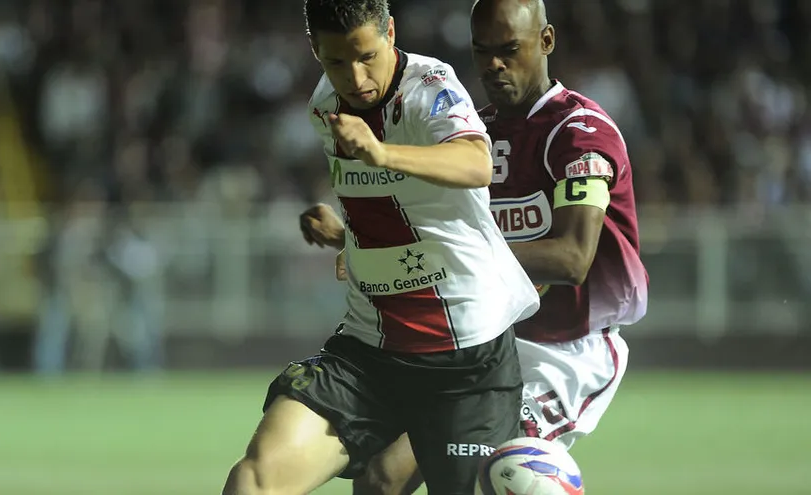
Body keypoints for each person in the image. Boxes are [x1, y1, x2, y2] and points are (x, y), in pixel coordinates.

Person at [305, 0, 650, 493]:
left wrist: (445, 260)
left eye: (509, 49)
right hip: (479, 342)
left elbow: (572, 259)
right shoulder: (469, 130)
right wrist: (354, 239)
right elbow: (435, 233)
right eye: (482, 51)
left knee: (499, 477)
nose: (493, 64)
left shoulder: (579, 135)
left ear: (546, 42)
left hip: (564, 352)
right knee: (380, 477)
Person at [223, 0, 540, 494]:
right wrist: (347, 237)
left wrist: (380, 150)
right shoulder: (324, 104)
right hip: (370, 350)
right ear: (314, 50)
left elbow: (476, 163)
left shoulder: (430, 86)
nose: (355, 76)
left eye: (366, 55)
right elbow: (403, 211)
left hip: (466, 360)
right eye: (335, 61)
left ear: (390, 32)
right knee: (255, 481)